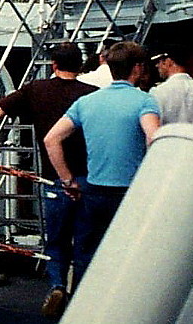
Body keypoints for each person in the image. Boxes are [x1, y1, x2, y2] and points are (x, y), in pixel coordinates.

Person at [0, 42, 97, 318]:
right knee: (86, 241)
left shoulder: (36, 90)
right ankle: (86, 295)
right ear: (81, 66)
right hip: (89, 177)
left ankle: (57, 284)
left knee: (56, 240)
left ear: (53, 65)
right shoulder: (92, 95)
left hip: (53, 178)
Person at [44, 41, 160, 285]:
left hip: (94, 191)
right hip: (129, 192)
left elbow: (51, 139)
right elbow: (153, 137)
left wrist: (67, 180)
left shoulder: (87, 102)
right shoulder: (145, 101)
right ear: (138, 68)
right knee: (130, 256)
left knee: (87, 256)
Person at [149, 45, 193, 127]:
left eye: (159, 62)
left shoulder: (157, 92)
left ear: (169, 61)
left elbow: (153, 127)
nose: (157, 66)